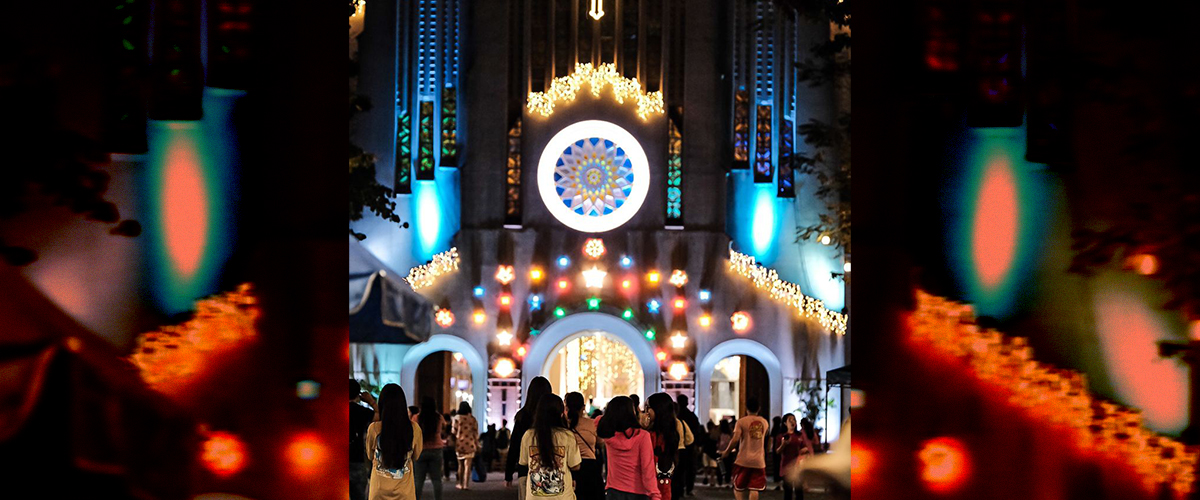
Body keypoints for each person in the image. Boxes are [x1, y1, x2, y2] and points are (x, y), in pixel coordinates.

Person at [366, 384, 424, 500]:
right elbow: (416, 456)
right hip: (405, 492)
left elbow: (370, 455)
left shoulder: (374, 428)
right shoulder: (414, 429)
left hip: (378, 491)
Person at [519, 394, 582, 500]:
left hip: (535, 496)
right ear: (561, 413)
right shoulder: (567, 436)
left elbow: (523, 462)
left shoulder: (529, 435)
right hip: (562, 496)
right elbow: (575, 465)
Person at [596, 396, 660, 500]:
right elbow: (647, 469)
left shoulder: (609, 435)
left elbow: (598, 420)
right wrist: (654, 494)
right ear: (632, 413)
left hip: (613, 491)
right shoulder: (642, 436)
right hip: (638, 493)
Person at [506, 376, 554, 500]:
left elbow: (514, 445)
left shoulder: (522, 416)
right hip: (551, 468)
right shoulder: (553, 418)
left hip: (526, 468)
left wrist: (509, 473)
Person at [720, 398, 769, 500]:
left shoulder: (741, 422)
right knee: (755, 488)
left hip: (743, 460)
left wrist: (727, 452)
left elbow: (735, 440)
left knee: (738, 487)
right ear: (758, 408)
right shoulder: (764, 422)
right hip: (759, 461)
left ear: (746, 408)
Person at [566, 392, 603, 500]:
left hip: (572, 467)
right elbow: (600, 443)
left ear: (567, 407)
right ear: (583, 407)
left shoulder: (564, 425)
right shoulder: (592, 424)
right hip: (590, 467)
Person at [644, 393, 680, 500]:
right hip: (666, 483)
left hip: (651, 486)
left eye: (648, 407)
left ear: (658, 409)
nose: (646, 411)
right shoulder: (672, 432)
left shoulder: (651, 435)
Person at [412, 397, 446, 500]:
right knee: (437, 480)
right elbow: (443, 429)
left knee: (418, 480)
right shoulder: (439, 418)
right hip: (436, 449)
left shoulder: (416, 418)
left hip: (420, 450)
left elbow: (413, 433)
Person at [352, 379, 377, 500]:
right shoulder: (362, 412)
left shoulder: (333, 409)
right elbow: (381, 417)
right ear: (358, 395)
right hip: (357, 459)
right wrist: (371, 401)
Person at [674, 395, 703, 497]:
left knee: (679, 470)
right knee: (690, 468)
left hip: (677, 447)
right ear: (687, 403)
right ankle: (689, 489)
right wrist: (698, 445)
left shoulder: (676, 417)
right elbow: (697, 432)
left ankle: (679, 489)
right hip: (690, 446)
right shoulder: (692, 416)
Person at [453, 402, 480, 490]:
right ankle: (466, 484)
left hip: (459, 444)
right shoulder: (472, 419)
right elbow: (476, 433)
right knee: (468, 465)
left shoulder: (457, 418)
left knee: (460, 465)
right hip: (470, 444)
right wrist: (477, 443)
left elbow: (453, 431)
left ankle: (460, 484)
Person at [717, 420, 733, 486]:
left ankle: (720, 481)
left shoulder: (719, 432)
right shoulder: (730, 432)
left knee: (720, 466)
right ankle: (727, 480)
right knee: (728, 466)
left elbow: (717, 440)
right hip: (729, 451)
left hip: (720, 451)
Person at [444, 412, 457, 481]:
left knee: (446, 460)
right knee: (455, 460)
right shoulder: (453, 424)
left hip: (447, 445)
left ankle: (447, 475)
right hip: (453, 445)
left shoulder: (445, 426)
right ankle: (458, 473)